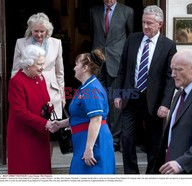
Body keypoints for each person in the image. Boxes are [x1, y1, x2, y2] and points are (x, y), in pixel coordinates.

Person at [114, 5, 177, 174]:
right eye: (143, 22)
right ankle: (132, 175)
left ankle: (152, 176)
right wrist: (118, 94)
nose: (146, 26)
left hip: (154, 101)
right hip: (131, 97)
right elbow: (122, 69)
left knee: (153, 143)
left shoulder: (169, 45)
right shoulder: (132, 39)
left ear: (160, 24)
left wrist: (166, 104)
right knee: (127, 139)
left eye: (150, 23)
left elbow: (169, 79)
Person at [11, 12, 65, 155]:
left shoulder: (56, 43)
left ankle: (47, 161)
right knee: (32, 126)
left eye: (42, 31)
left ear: (47, 30)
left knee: (50, 130)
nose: (39, 34)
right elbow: (16, 70)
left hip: (51, 93)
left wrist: (63, 94)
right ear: (30, 29)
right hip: (29, 91)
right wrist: (17, 91)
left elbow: (60, 73)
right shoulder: (21, 43)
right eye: (36, 31)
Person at [54, 49, 116, 174]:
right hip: (84, 139)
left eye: (77, 64)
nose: (74, 68)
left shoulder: (92, 88)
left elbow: (96, 119)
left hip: (94, 141)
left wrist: (89, 149)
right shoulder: (85, 87)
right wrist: (60, 124)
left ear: (85, 68)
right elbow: (81, 116)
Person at [89, 0, 134, 151]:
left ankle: (114, 139)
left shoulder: (127, 11)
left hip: (117, 59)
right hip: (97, 60)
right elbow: (92, 33)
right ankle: (99, 135)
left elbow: (131, 37)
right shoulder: (93, 11)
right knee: (97, 98)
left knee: (115, 100)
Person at [7, 45, 57, 174]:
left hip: (39, 133)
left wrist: (49, 108)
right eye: (39, 64)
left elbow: (45, 100)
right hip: (23, 135)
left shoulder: (40, 78)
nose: (42, 67)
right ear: (28, 64)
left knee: (41, 169)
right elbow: (19, 112)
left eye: (43, 63)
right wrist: (44, 123)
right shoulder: (17, 81)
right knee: (25, 170)